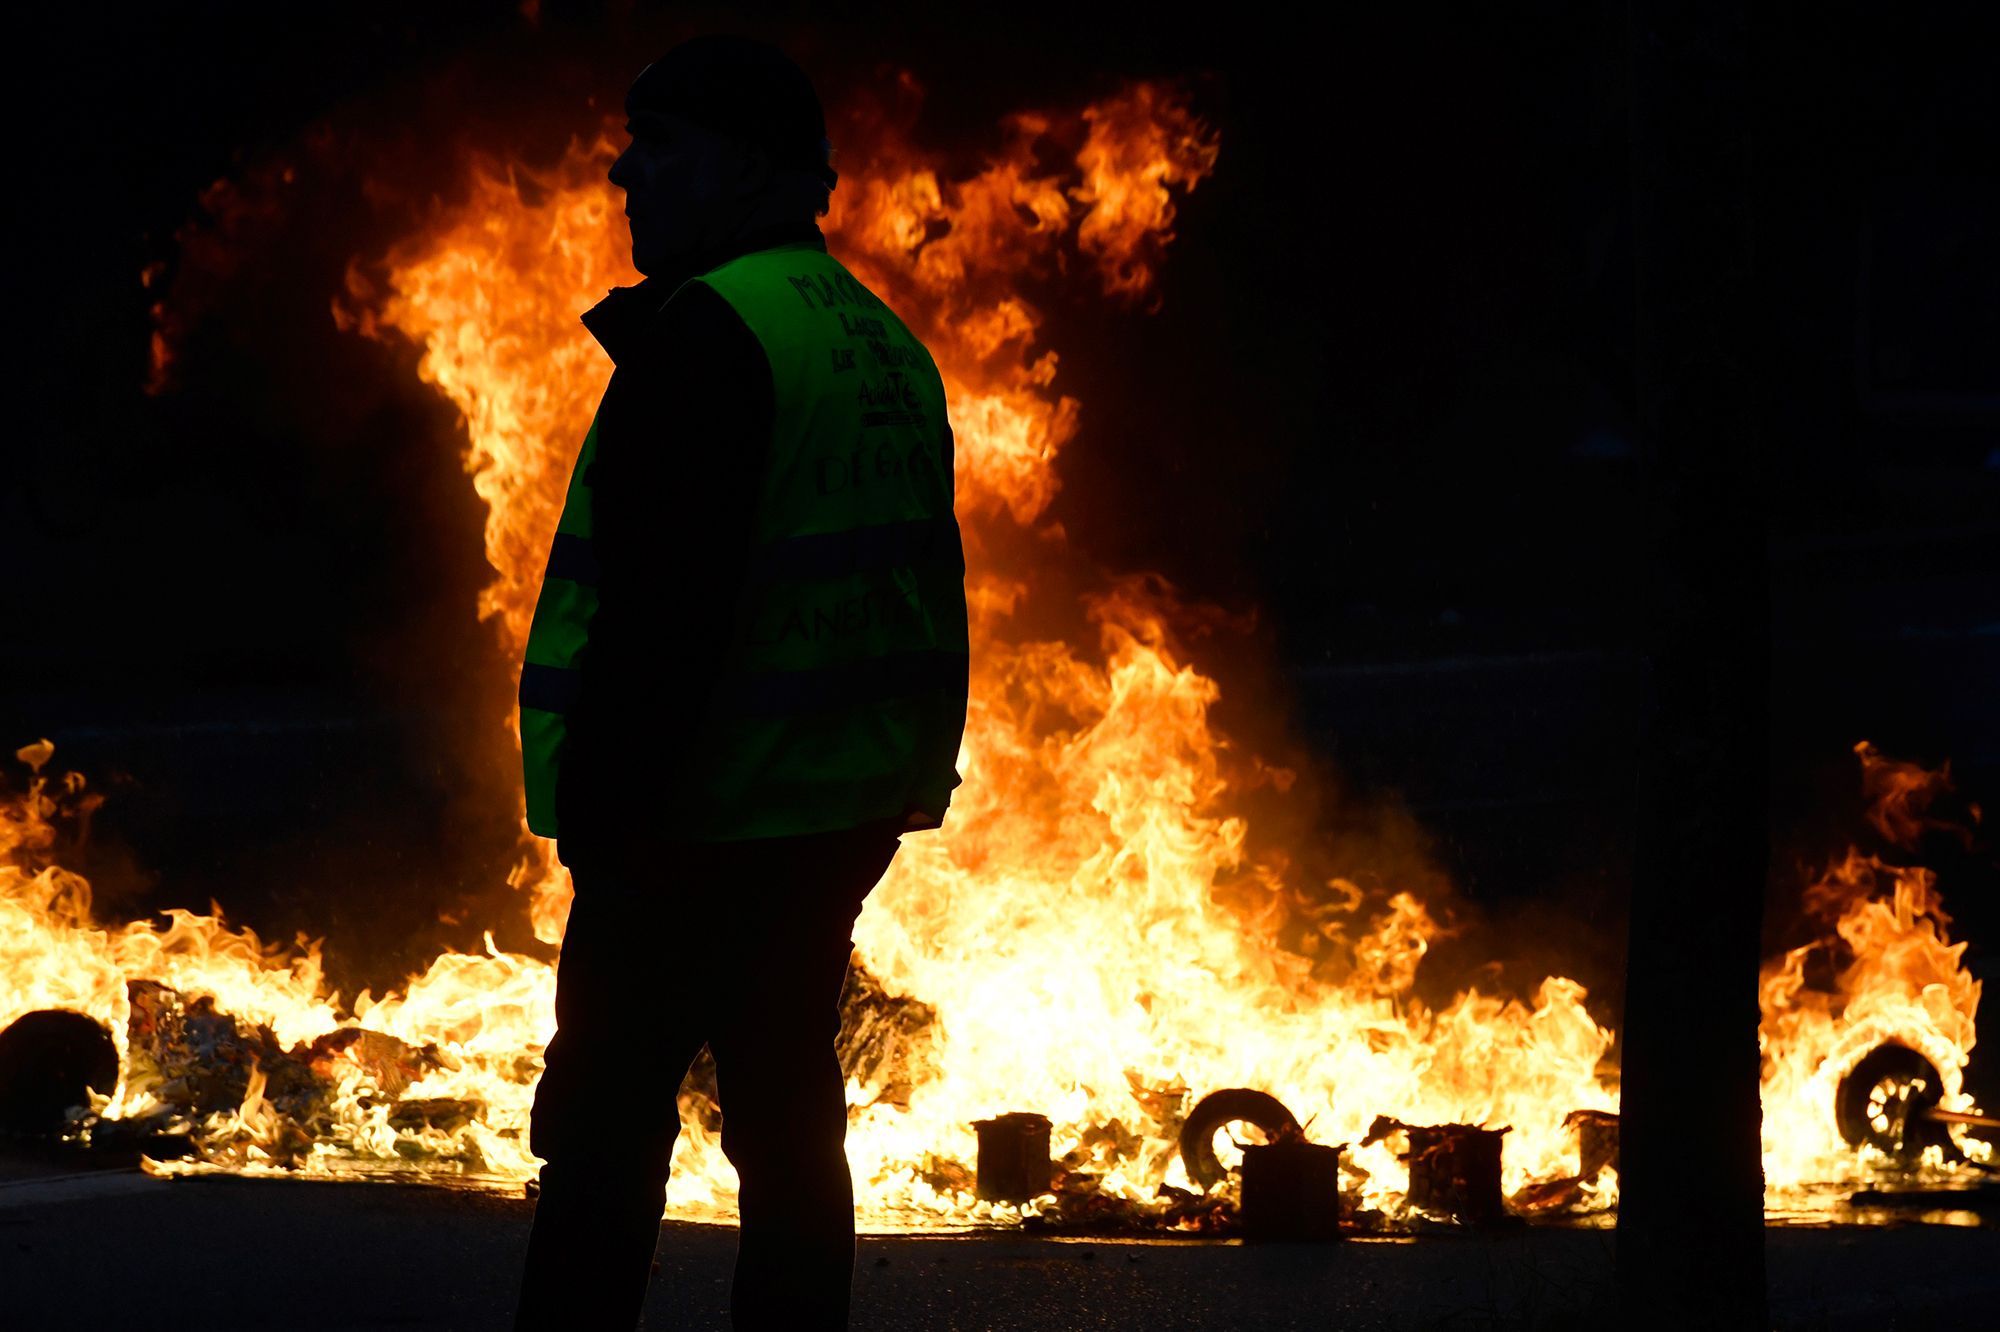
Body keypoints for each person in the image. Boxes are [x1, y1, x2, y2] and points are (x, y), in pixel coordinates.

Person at [511, 35, 970, 1330]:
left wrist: (603, 826)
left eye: (660, 145)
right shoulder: (878, 340)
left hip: (695, 815)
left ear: (751, 171)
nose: (624, 169)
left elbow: (665, 619)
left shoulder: (715, 335)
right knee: (784, 1117)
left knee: (603, 1128)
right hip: (835, 814)